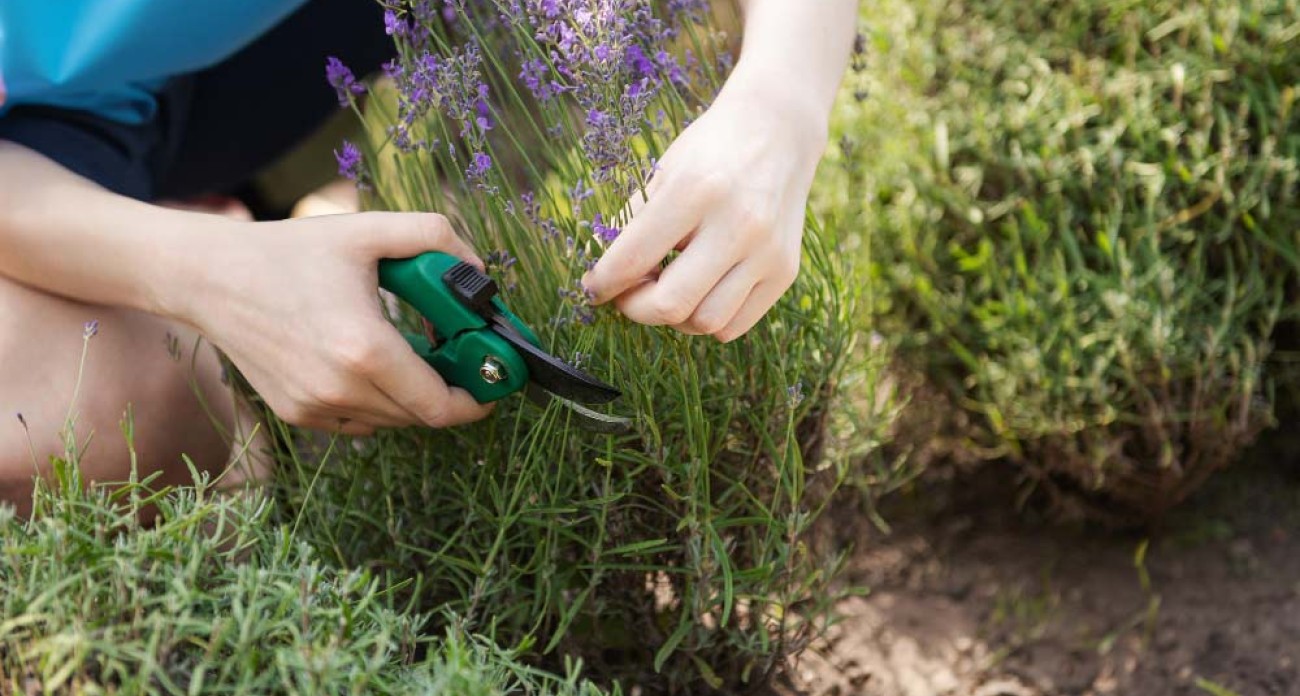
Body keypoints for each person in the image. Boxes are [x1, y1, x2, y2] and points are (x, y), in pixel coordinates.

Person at [0, 0, 856, 516]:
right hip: (44, 116)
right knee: (63, 421)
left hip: (296, 44)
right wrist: (202, 269)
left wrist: (780, 99)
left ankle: (332, 211)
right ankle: (232, 249)